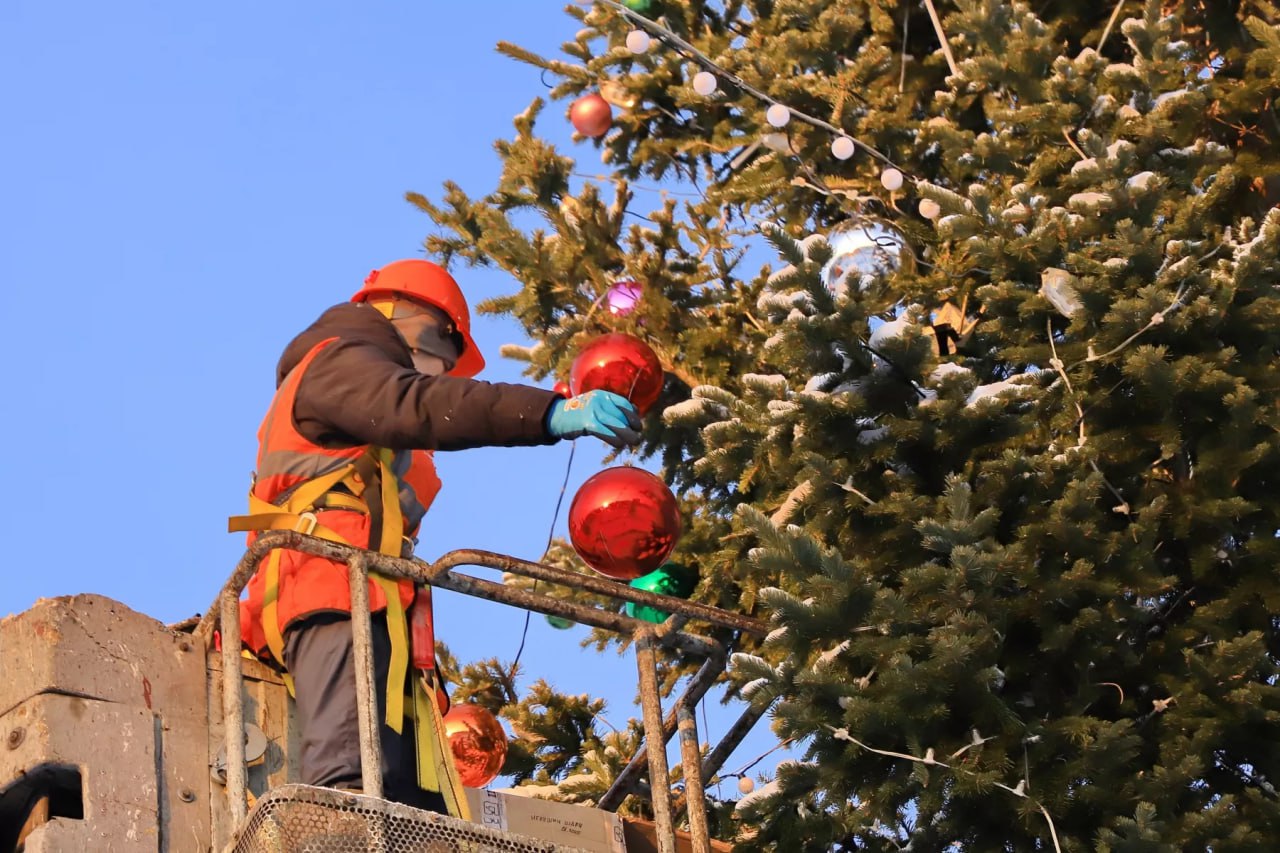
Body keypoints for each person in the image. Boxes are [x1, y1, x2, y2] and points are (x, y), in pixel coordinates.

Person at [230, 258, 640, 814]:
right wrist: (546, 413)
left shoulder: (354, 382)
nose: (444, 372)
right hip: (330, 590)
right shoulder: (337, 364)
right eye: (445, 352)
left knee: (408, 796)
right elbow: (422, 406)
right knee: (353, 783)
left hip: (373, 600)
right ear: (412, 320)